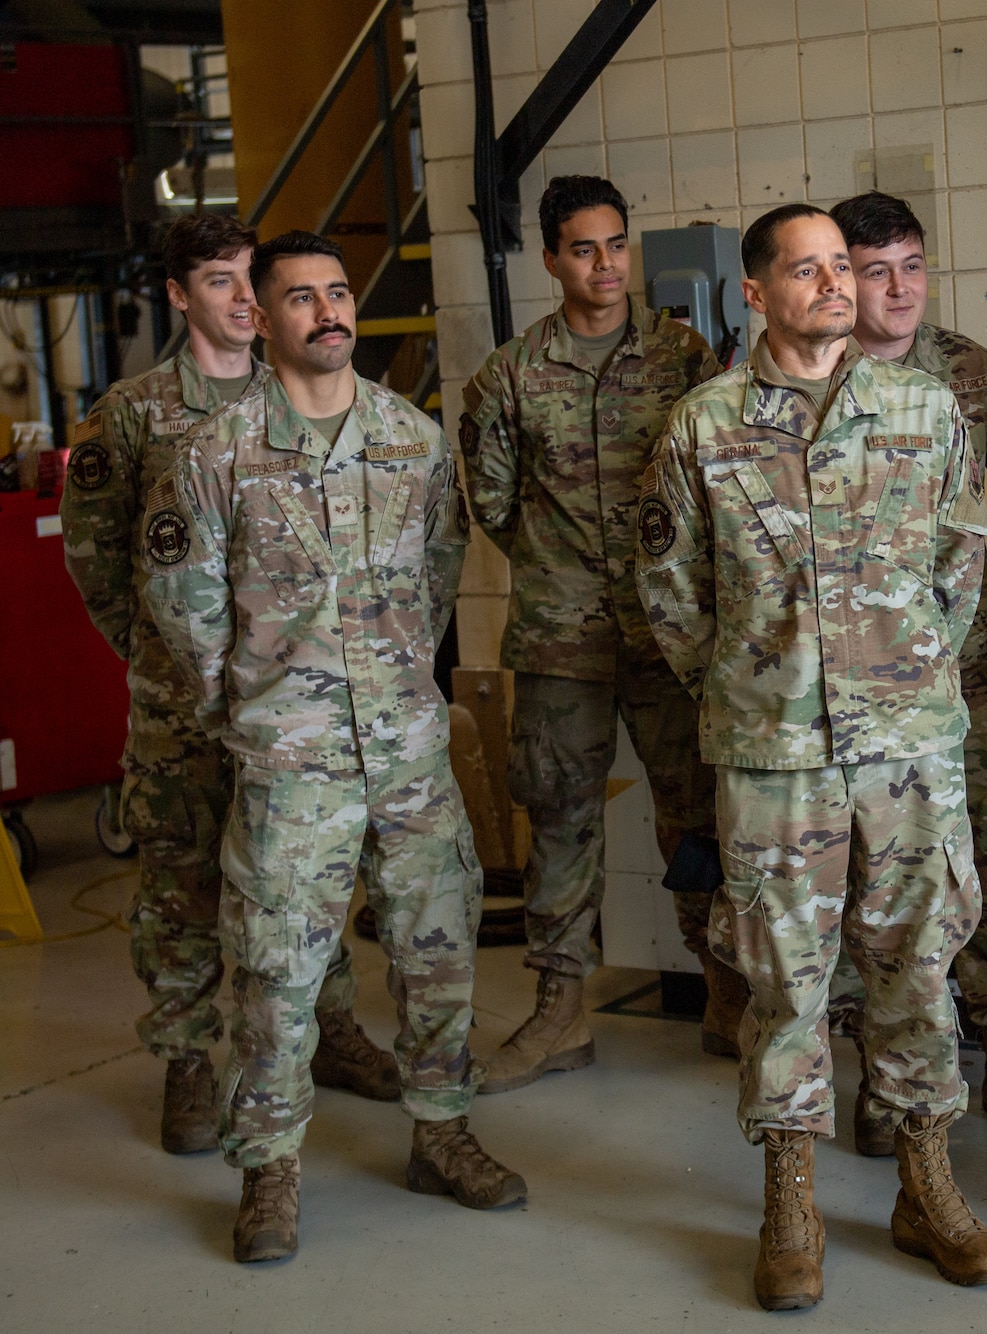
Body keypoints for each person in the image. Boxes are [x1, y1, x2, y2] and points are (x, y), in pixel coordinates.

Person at [636, 203, 987, 1310]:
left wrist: (905, 677)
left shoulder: (924, 409)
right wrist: (755, 683)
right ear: (755, 293)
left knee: (916, 965)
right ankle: (789, 1199)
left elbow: (958, 566)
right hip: (774, 753)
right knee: (783, 983)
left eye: (841, 266)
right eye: (807, 270)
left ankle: (924, 1182)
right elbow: (670, 593)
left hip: (907, 749)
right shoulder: (702, 428)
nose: (835, 284)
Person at [141, 230, 523, 1263]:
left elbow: (437, 577)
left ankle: (440, 1134)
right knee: (275, 971)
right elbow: (185, 613)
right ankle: (270, 1168)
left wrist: (394, 684)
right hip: (290, 758)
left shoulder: (413, 439)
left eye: (339, 291)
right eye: (300, 297)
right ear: (260, 320)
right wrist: (254, 708)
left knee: (437, 948)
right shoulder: (215, 454)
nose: (328, 311)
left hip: (406, 745)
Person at [61, 214, 397, 1157]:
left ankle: (330, 1033)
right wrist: (161, 659)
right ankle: (189, 1060)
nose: (245, 300)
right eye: (219, 281)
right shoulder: (132, 414)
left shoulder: (301, 396)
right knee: (181, 881)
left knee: (313, 876)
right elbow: (94, 554)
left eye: (254, 279)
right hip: (183, 711)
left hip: (295, 703)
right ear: (178, 296)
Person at [459, 176, 732, 1091]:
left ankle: (725, 989)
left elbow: (714, 486)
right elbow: (493, 503)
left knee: (696, 815)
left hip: (671, 635)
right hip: (559, 642)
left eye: (618, 244)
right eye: (584, 248)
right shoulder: (508, 376)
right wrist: (562, 568)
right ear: (550, 260)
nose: (607, 264)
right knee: (561, 824)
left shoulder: (683, 358)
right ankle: (560, 1010)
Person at [828, 191, 987, 1153]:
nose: (896, 290)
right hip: (856, 680)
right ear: (836, 276)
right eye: (873, 269)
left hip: (970, 667)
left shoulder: (972, 377)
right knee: (872, 872)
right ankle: (884, 1079)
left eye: (911, 266)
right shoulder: (809, 380)